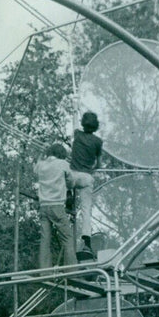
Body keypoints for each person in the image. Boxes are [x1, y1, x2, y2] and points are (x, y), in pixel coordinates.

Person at [35, 141, 75, 269]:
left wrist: (42, 155)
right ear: (61, 154)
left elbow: (35, 168)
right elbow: (72, 182)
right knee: (67, 238)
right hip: (57, 205)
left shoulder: (41, 165)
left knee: (45, 240)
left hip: (43, 206)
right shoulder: (63, 164)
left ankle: (44, 271)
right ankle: (71, 271)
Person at [69, 111, 103, 260]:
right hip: (86, 177)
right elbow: (99, 164)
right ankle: (86, 241)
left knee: (64, 175)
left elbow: (74, 121)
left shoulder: (77, 134)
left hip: (73, 176)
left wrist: (75, 107)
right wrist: (91, 166)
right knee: (86, 210)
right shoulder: (98, 141)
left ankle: (68, 195)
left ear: (83, 124)